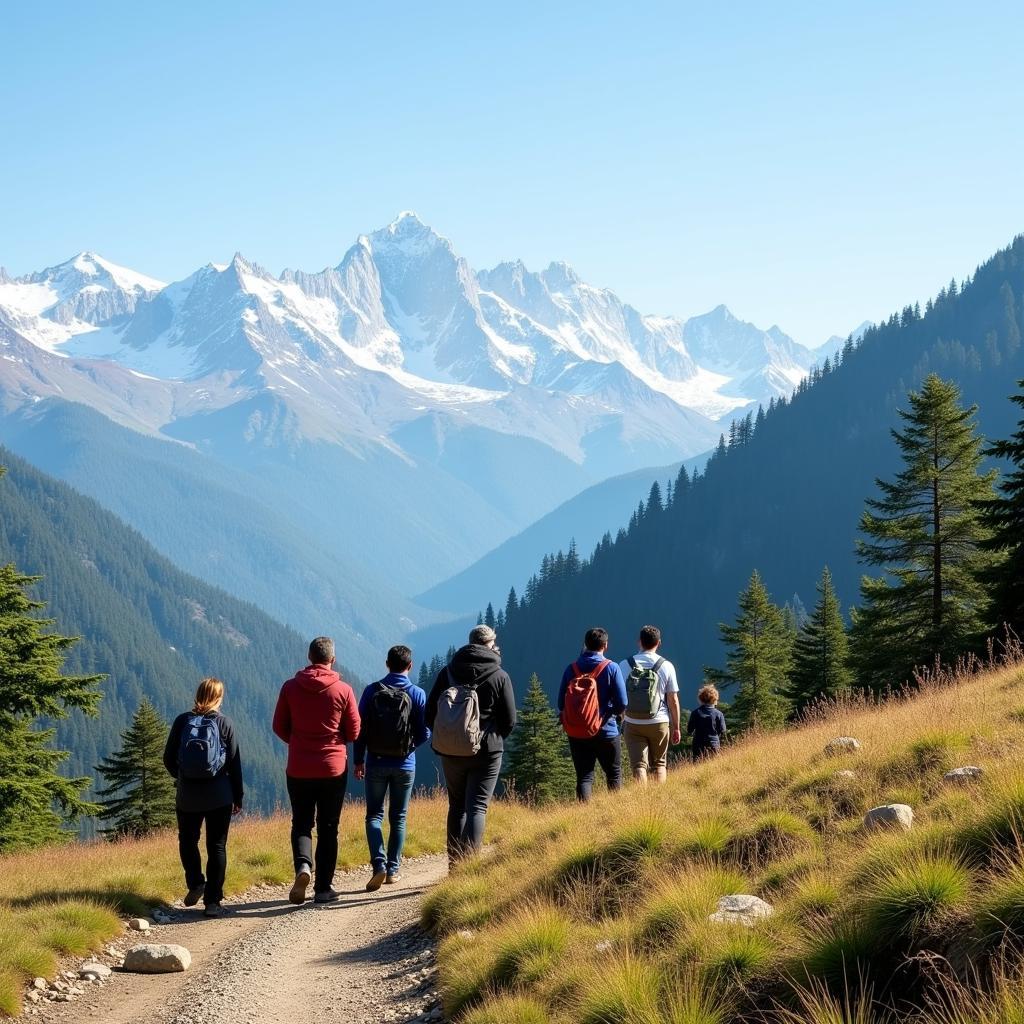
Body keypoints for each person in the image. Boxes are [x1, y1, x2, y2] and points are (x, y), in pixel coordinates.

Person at [273, 636, 360, 905]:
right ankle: (323, 889)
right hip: (332, 768)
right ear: (332, 659)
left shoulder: (290, 687)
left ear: (309, 657)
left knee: (301, 823)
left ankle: (303, 867)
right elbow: (354, 730)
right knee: (329, 826)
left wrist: (299, 743)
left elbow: (279, 725)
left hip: (299, 766)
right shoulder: (343, 690)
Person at [426, 624, 515, 864]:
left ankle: (455, 866)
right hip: (487, 751)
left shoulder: (448, 672)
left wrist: (448, 735)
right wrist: (493, 738)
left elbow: (429, 712)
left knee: (456, 807)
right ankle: (469, 868)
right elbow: (509, 720)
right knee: (477, 807)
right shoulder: (499, 675)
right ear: (490, 644)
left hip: (451, 750)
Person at [163, 678, 243, 919]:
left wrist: (183, 778)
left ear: (198, 694)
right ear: (219, 698)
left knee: (188, 840)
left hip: (188, 795)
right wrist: (237, 796)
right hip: (219, 795)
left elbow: (168, 758)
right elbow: (234, 764)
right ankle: (213, 902)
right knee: (216, 846)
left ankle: (196, 883)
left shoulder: (182, 721)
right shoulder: (224, 723)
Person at [353, 644, 430, 891]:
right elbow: (425, 732)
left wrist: (358, 760)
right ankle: (393, 870)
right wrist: (407, 748)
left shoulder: (371, 691)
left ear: (387, 664)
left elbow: (359, 730)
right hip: (405, 765)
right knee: (398, 817)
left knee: (374, 815)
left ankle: (378, 865)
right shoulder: (417, 693)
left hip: (375, 762)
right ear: (410, 666)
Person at [558, 627, 628, 802]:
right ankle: (616, 815)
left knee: (584, 776)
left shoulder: (571, 669)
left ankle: (584, 819)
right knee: (613, 774)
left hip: (577, 732)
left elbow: (560, 703)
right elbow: (622, 703)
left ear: (585, 644)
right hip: (606, 731)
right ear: (605, 645)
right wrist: (609, 713)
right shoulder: (611, 667)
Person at [618, 625, 681, 785]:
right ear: (659, 643)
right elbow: (672, 700)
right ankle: (659, 800)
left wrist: (621, 720)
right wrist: (676, 727)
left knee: (638, 766)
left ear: (639, 642)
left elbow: (619, 698)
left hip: (633, 722)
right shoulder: (666, 666)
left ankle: (642, 802)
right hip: (659, 722)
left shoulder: (624, 665)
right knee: (659, 764)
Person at [687, 683, 727, 760]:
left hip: (698, 744)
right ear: (715, 699)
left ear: (701, 699)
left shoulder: (695, 713)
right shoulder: (719, 714)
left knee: (698, 766)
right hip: (714, 744)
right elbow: (723, 731)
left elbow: (689, 730)